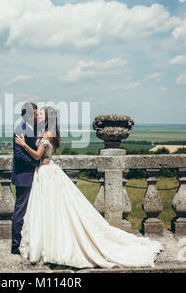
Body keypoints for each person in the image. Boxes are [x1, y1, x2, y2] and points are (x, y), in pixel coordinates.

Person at [14, 106, 164, 269]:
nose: (38, 116)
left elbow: (37, 155)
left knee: (53, 210)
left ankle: (52, 245)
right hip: (43, 173)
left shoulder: (47, 134)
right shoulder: (43, 131)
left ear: (48, 118)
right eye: (38, 113)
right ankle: (47, 243)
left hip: (46, 173)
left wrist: (23, 144)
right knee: (48, 210)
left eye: (41, 114)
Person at [11, 102, 49, 255]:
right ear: (27, 114)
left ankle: (28, 243)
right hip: (24, 176)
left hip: (33, 176)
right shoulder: (21, 129)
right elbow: (19, 156)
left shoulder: (34, 129)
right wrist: (37, 162)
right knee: (20, 212)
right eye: (34, 113)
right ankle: (15, 246)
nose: (36, 115)